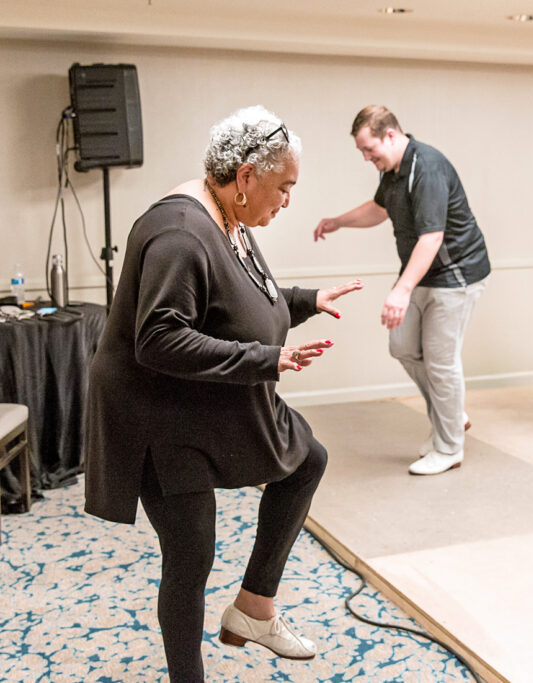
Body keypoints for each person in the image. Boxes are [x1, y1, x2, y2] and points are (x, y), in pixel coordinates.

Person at [84, 106, 363, 682]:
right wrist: (265, 359)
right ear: (244, 178)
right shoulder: (180, 233)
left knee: (305, 459)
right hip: (156, 415)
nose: (286, 201)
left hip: (196, 398)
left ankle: (254, 610)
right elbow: (158, 339)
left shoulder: (227, 219)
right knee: (191, 553)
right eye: (283, 188)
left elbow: (235, 302)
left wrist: (306, 300)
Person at [314, 105, 489, 476]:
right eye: (362, 151)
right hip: (424, 271)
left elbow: (432, 236)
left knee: (441, 363)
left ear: (391, 135)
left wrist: (401, 290)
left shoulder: (426, 167)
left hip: (456, 275)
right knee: (403, 346)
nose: (366, 158)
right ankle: (452, 416)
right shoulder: (393, 171)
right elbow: (379, 210)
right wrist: (338, 222)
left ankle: (449, 446)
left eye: (369, 149)